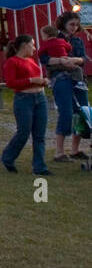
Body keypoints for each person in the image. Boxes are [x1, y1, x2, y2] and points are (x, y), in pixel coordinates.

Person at [40, 13, 88, 163]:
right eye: (71, 24)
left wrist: (73, 59)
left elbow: (83, 58)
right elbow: (44, 58)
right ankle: (59, 152)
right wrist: (61, 60)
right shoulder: (54, 39)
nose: (74, 27)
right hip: (61, 78)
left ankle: (75, 149)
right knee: (66, 112)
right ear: (64, 24)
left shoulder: (77, 40)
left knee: (82, 111)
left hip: (77, 79)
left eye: (76, 24)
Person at [1, 35, 51, 175]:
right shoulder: (12, 62)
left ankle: (40, 167)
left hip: (40, 98)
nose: (34, 48)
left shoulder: (30, 61)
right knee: (24, 132)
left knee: (39, 134)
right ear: (24, 45)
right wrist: (31, 80)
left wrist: (43, 81)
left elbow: (35, 78)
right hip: (24, 99)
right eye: (32, 45)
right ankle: (8, 157)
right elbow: (10, 83)